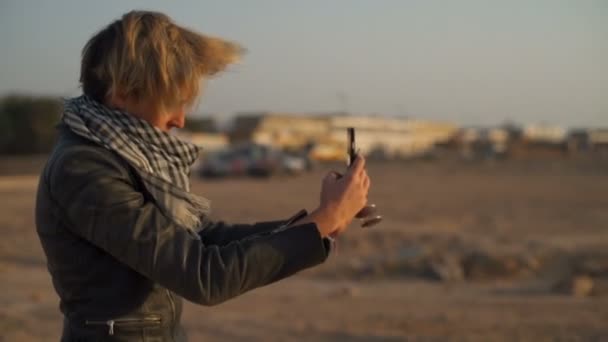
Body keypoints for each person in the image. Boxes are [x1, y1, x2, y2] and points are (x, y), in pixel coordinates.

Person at [35, 10, 370, 341]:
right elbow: (202, 274)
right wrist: (324, 220)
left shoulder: (123, 153)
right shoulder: (83, 169)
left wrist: (316, 224)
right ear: (122, 92)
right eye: (172, 101)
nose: (180, 119)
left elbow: (201, 236)